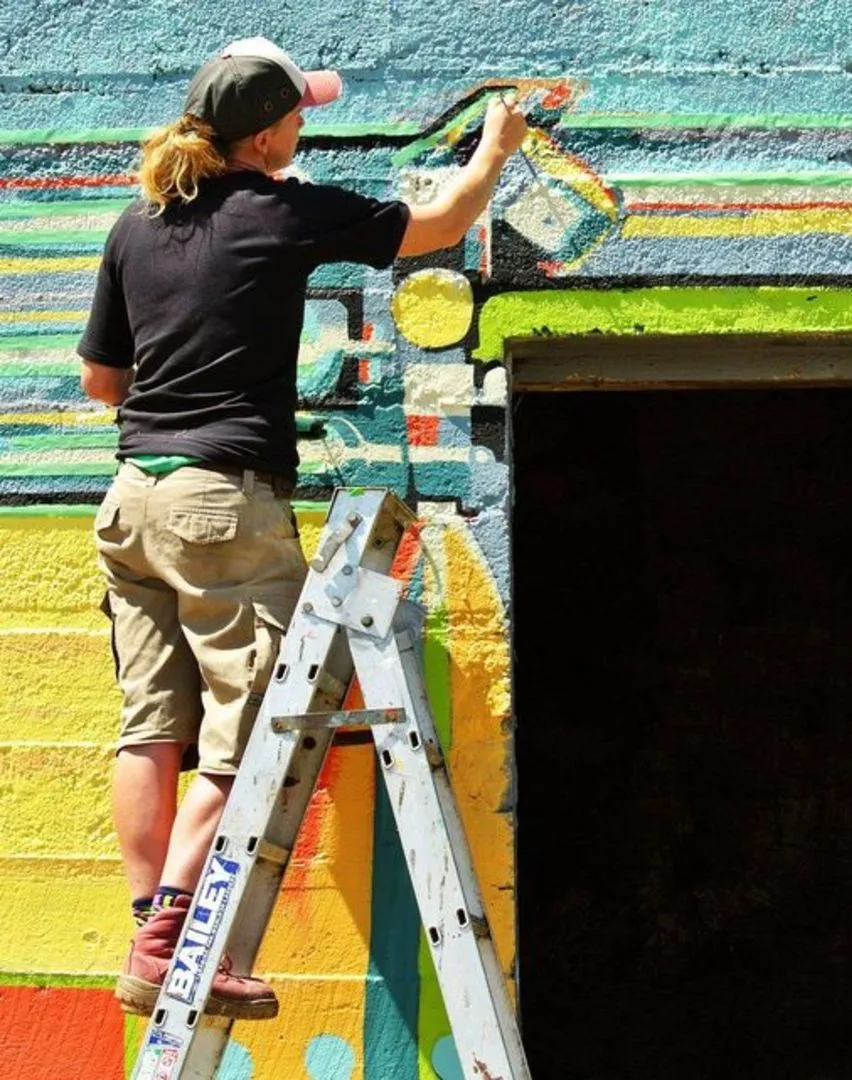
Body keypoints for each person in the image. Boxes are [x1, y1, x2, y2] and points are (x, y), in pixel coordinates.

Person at [77, 36, 528, 1020]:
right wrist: (496, 148)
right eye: (298, 113)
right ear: (268, 128)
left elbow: (102, 383)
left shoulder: (136, 223)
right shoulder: (283, 211)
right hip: (220, 504)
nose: (306, 125)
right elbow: (441, 221)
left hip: (131, 502)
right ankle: (169, 945)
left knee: (151, 727)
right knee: (250, 730)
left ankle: (149, 917)